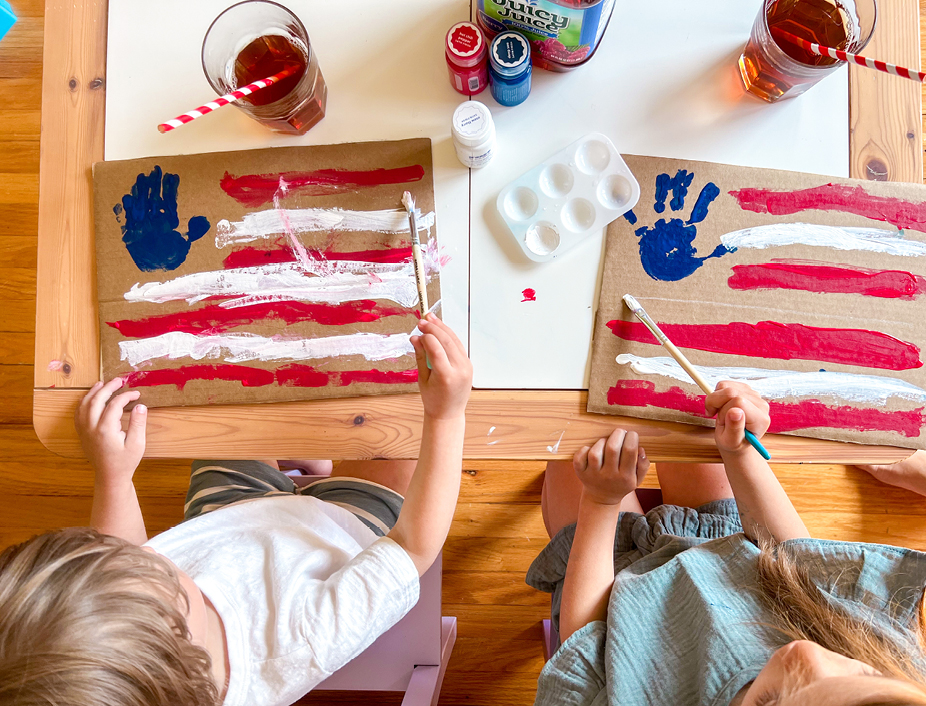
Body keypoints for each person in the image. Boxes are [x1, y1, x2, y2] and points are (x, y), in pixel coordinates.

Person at [0, 313, 472, 706]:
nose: (142, 552)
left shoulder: (149, 616)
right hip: (347, 537)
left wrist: (113, 475)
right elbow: (413, 547)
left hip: (228, 517)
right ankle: (317, 469)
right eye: (153, 569)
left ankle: (305, 464)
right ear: (184, 641)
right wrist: (446, 415)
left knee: (227, 411)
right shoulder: (301, 641)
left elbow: (122, 551)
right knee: (397, 441)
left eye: (120, 559)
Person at [528, 381, 926, 706]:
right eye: (862, 671)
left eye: (771, 698)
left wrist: (601, 499)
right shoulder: (900, 667)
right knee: (682, 407)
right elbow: (796, 562)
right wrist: (741, 453)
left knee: (572, 439)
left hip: (608, 586)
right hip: (725, 540)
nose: (803, 653)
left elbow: (584, 634)